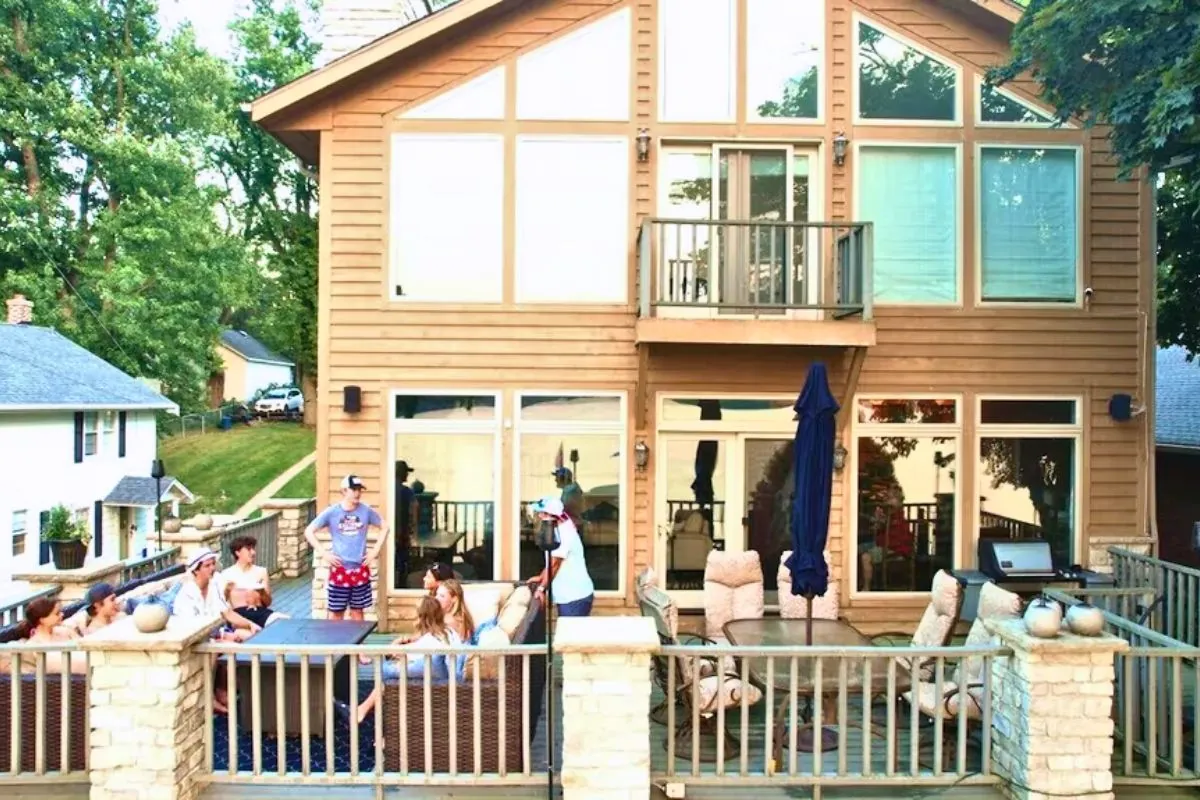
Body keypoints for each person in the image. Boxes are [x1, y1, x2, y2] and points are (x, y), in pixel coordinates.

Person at [349, 596, 463, 724]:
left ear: (421, 617)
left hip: (438, 685)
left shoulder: (428, 641)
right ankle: (366, 709)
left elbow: (393, 653)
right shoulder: (449, 632)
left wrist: (396, 644)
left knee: (390, 676)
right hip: (452, 679)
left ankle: (364, 711)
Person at [305, 475, 391, 622]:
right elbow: (309, 531)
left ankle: (356, 644)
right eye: (354, 489)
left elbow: (385, 526)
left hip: (360, 569)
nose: (357, 493)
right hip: (340, 569)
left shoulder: (366, 511)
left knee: (358, 611)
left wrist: (375, 550)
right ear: (344, 491)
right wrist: (324, 553)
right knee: (336, 612)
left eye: (359, 490)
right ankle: (335, 643)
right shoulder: (332, 512)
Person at [526, 495, 594, 617]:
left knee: (570, 635)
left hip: (574, 597)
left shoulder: (564, 533)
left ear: (551, 515)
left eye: (542, 513)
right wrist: (542, 577)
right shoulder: (560, 526)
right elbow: (552, 562)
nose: (539, 516)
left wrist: (541, 588)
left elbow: (555, 564)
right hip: (570, 595)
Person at [171, 549, 260, 641]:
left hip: (217, 633)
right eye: (207, 566)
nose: (212, 568)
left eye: (213, 564)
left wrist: (250, 624)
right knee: (232, 647)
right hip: (197, 641)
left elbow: (227, 613)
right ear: (196, 570)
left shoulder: (213, 586)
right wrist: (222, 636)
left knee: (252, 637)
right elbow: (193, 628)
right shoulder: (187, 594)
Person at [220, 535, 285, 628]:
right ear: (237, 552)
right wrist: (227, 590)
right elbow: (222, 604)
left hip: (260, 612)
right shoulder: (226, 574)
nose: (253, 552)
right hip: (239, 615)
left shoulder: (261, 571)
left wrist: (262, 592)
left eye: (253, 549)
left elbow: (267, 603)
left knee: (285, 621)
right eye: (249, 549)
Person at [8, 598, 86, 674]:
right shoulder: (33, 645)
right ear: (42, 619)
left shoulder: (65, 631)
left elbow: (85, 647)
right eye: (57, 613)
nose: (62, 614)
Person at [393, 460, 419, 590]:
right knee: (402, 563)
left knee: (393, 562)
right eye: (406, 473)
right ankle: (401, 586)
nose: (407, 476)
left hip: (391, 534)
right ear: (401, 473)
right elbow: (414, 511)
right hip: (402, 534)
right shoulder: (407, 492)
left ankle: (394, 584)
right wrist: (413, 532)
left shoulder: (388, 489)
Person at [435, 578, 476, 644]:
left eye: (442, 596)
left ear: (454, 599)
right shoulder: (462, 616)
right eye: (436, 594)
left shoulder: (451, 621)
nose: (436, 598)